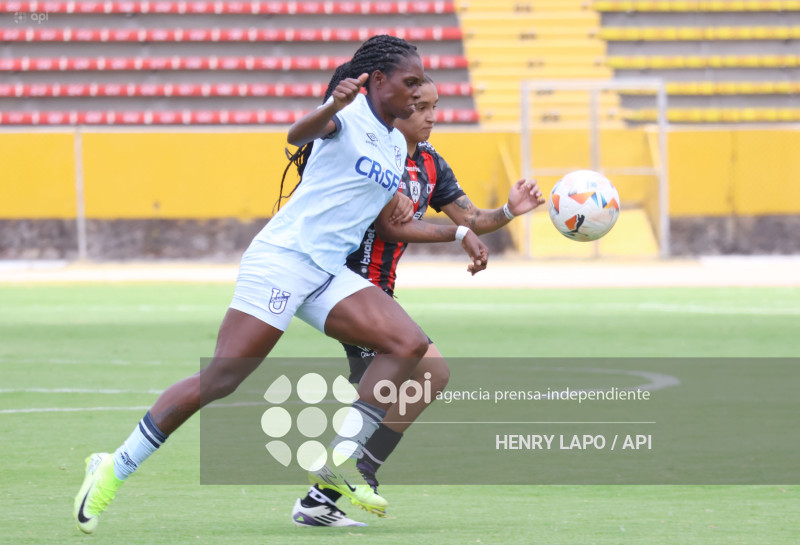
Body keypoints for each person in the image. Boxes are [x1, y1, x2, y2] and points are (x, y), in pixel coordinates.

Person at [72, 35, 489, 535]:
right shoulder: (347, 114)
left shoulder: (397, 143)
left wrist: (461, 231)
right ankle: (114, 466)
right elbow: (298, 134)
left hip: (327, 271)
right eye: (410, 81)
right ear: (378, 81)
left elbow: (389, 222)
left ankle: (343, 460)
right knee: (223, 380)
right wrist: (330, 106)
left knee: (409, 343)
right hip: (282, 261)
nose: (418, 91)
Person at [290, 75, 546, 527]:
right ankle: (343, 479)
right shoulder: (375, 154)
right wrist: (458, 234)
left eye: (435, 106)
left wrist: (508, 212)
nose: (431, 116)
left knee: (429, 375)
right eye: (421, 107)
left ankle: (329, 491)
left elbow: (471, 217)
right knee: (404, 380)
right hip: (346, 287)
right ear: (395, 107)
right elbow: (392, 226)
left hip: (379, 294)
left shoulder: (430, 164)